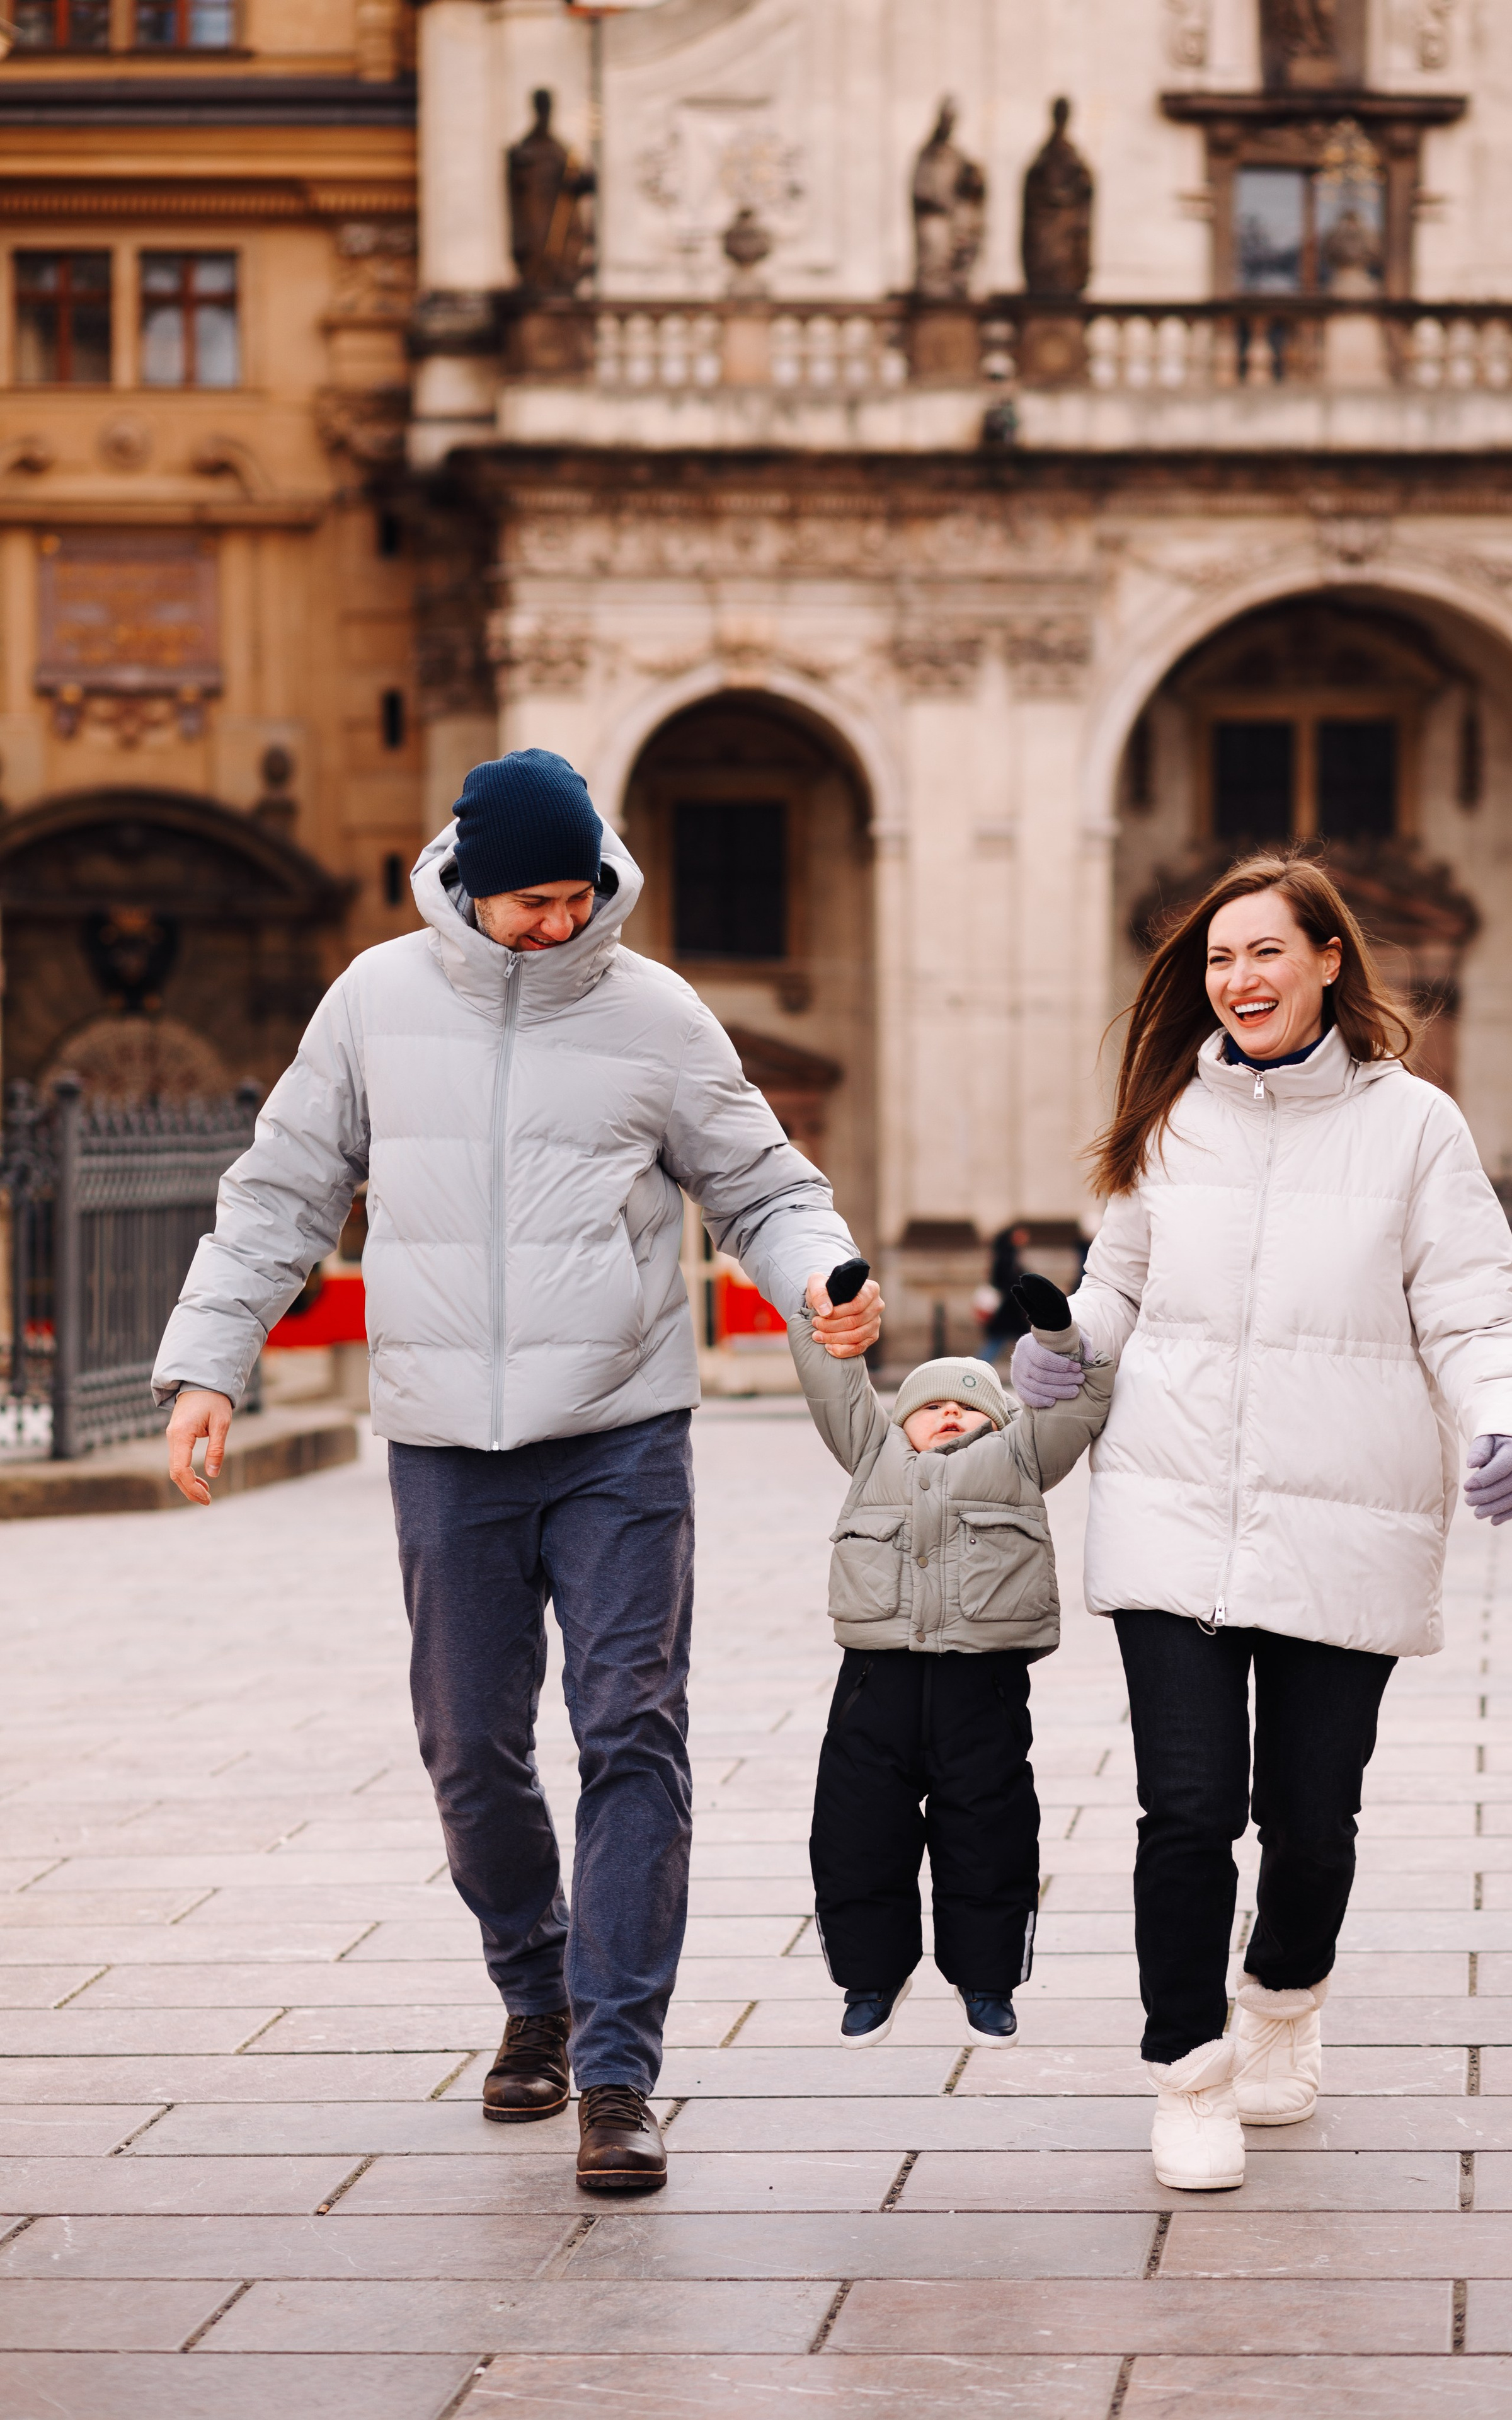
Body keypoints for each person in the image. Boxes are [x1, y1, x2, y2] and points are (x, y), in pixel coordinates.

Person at [153, 748, 881, 2196]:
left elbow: (762, 1187)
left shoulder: (654, 1012)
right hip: (444, 1446)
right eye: (525, 902)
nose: (553, 923)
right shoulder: (372, 1001)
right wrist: (206, 1365)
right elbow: (280, 1192)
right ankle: (533, 1992)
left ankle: (616, 2066)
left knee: (630, 1734)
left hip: (618, 1432)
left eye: (571, 896)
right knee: (470, 1750)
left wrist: (820, 1279)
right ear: (463, 885)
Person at [1012, 852, 1512, 2192]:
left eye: (1263, 951)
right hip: (1172, 1509)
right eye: (1215, 958)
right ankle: (1187, 2071)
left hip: (1344, 1515)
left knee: (1308, 1820)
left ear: (1326, 961)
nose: (1235, 978)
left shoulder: (1413, 1129)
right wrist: (1063, 1347)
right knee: (1184, 1809)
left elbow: (1478, 1308)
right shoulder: (1166, 1121)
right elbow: (1117, 1290)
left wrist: (1509, 1419)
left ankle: (1280, 2002)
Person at [789, 1263, 1113, 2050]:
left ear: (996, 1421)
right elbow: (832, 1378)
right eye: (928, 1406)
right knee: (856, 1830)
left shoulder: (1020, 1456)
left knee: (990, 1833)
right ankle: (870, 1975)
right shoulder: (872, 1452)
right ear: (898, 1420)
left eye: (966, 1407)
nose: (945, 1416)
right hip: (876, 1682)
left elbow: (1080, 1398)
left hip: (983, 1686)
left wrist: (1057, 1336)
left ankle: (987, 1979)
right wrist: (826, 1313)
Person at [980, 1223, 1032, 1368]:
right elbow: (1007, 1282)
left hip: (1010, 1308)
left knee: (1017, 1340)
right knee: (1022, 1341)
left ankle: (978, 1368)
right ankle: (977, 1369)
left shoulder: (1009, 1254)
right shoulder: (1007, 1256)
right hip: (1009, 1308)